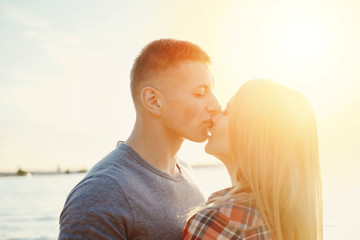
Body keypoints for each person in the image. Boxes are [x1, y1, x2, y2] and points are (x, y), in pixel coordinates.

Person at [59, 39, 221, 239]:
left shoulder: (185, 172)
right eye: (200, 93)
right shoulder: (102, 193)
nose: (216, 105)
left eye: (212, 91)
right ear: (153, 101)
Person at [183, 79, 323, 240]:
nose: (215, 117)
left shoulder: (220, 222)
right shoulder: (290, 220)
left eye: (227, 112)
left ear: (251, 136)